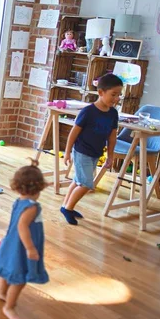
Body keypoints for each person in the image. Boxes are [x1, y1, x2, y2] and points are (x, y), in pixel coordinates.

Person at [0, 159, 49, 319]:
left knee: (9, 270)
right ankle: (9, 306)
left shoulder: (20, 201)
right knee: (20, 278)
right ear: (38, 188)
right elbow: (23, 226)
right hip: (21, 246)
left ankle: (2, 292)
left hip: (12, 241)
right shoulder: (32, 207)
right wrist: (30, 248)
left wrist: (34, 169)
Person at [60, 73, 122, 225]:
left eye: (119, 95)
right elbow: (73, 133)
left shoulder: (113, 114)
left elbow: (112, 137)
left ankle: (65, 206)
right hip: (82, 151)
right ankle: (68, 208)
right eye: (113, 94)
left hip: (95, 153)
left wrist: (110, 156)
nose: (116, 98)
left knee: (78, 181)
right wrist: (67, 152)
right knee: (87, 184)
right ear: (101, 92)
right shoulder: (88, 112)